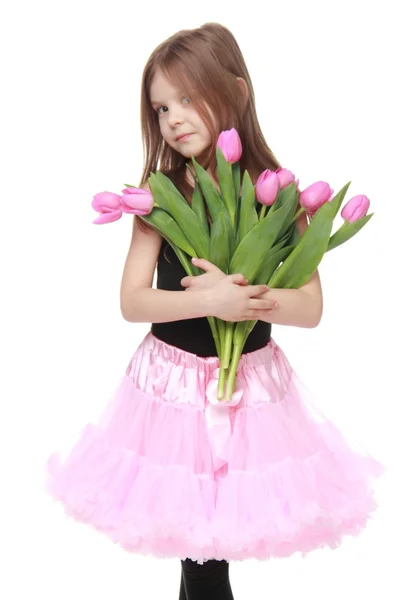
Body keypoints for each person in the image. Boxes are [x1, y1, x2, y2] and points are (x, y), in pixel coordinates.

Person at [46, 22, 385, 600]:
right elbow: (132, 301)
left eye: (186, 98)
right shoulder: (158, 195)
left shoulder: (277, 194)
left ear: (235, 91)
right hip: (173, 390)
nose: (173, 118)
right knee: (199, 550)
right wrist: (206, 299)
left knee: (212, 548)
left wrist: (247, 301)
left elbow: (310, 309)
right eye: (160, 108)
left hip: (246, 390)